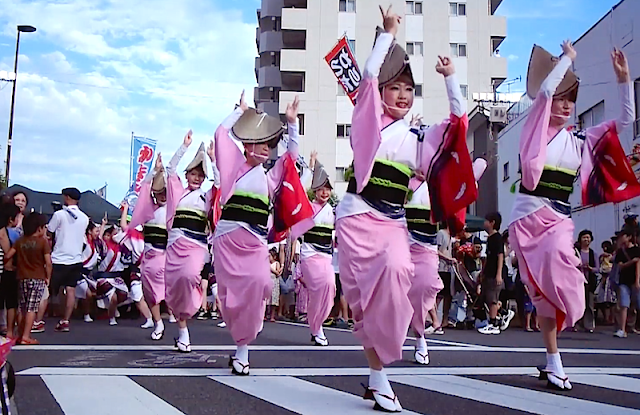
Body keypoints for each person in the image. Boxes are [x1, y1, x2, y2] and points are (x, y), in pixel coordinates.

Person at [336, 6, 475, 412]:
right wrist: (388, 34)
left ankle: (386, 365)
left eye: (408, 90)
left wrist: (451, 80)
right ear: (382, 93)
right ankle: (379, 379)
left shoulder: (418, 137)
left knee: (398, 276)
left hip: (394, 223)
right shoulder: (369, 121)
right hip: (359, 215)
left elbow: (457, 125)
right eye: (394, 88)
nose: (401, 95)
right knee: (363, 301)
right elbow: (366, 79)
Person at [509, 41, 636, 390]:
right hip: (531, 216)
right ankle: (554, 362)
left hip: (560, 220)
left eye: (570, 99)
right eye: (560, 98)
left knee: (562, 292)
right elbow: (546, 92)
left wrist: (624, 81)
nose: (564, 105)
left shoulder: (580, 139)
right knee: (546, 292)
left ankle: (553, 360)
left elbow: (625, 122)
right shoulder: (535, 125)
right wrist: (567, 59)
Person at [214, 91, 310, 375]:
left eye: (270, 143)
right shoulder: (232, 165)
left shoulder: (269, 177)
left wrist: (292, 124)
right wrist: (239, 112)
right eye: (261, 143)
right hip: (229, 238)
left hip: (256, 242)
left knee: (260, 285)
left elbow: (292, 158)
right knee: (230, 296)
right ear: (247, 144)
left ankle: (243, 348)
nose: (267, 148)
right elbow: (221, 134)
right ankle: (239, 349)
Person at [165, 133, 218, 352]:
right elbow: (169, 170)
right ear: (187, 174)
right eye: (193, 174)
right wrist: (183, 147)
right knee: (176, 285)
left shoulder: (205, 198)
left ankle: (196, 301)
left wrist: (214, 161)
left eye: (200, 176)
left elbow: (221, 185)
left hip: (196, 245)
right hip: (175, 243)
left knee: (190, 276)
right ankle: (183, 332)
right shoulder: (177, 193)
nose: (196, 178)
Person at [291, 156, 336, 346]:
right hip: (309, 254)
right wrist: (308, 170)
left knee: (330, 288)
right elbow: (297, 192)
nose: (324, 192)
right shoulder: (309, 206)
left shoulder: (332, 210)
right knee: (320, 286)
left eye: (327, 188)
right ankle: (317, 327)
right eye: (321, 188)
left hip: (326, 256)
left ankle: (316, 324)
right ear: (315, 190)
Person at [129, 155, 171, 340]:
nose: (162, 196)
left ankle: (181, 329)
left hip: (166, 257)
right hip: (148, 258)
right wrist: (154, 171)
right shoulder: (147, 210)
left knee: (173, 293)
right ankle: (158, 323)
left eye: (165, 192)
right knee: (150, 294)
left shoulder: (173, 211)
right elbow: (142, 192)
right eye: (159, 192)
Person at [4, 213, 51, 345]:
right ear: (39, 228)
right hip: (37, 277)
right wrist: (48, 277)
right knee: (32, 308)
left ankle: (19, 334)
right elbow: (48, 262)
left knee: (23, 307)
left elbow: (8, 255)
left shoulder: (20, 241)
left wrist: (12, 265)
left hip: (22, 277)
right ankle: (26, 336)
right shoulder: (43, 242)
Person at [47, 188, 89, 333]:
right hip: (76, 258)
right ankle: (65, 320)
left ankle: (38, 319)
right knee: (70, 289)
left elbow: (49, 232)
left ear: (67, 197)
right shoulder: (85, 217)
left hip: (58, 257)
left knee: (48, 289)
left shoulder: (59, 214)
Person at [478, 212, 505, 335]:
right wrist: (483, 272)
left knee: (492, 298)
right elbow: (488, 257)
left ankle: (494, 323)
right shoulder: (489, 238)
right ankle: (500, 315)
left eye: (486, 221)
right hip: (488, 272)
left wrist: (498, 274)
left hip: (494, 273)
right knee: (487, 296)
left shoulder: (497, 238)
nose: (484, 223)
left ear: (492, 223)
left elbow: (500, 255)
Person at [613, 228, 640, 338]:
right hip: (623, 281)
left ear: (629, 237)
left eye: (623, 236)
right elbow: (620, 266)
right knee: (624, 305)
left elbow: (639, 265)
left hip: (635, 281)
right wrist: (631, 261)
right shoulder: (620, 252)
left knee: (637, 304)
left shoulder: (637, 250)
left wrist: (637, 280)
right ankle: (622, 329)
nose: (621, 238)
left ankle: (631, 326)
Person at [0, 205, 21, 338]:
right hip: (5, 269)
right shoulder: (6, 232)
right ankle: (8, 329)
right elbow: (7, 254)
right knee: (10, 301)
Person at [577, 229, 597, 333]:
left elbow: (597, 268)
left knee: (589, 304)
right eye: (584, 237)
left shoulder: (593, 253)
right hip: (578, 281)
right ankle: (577, 324)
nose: (586, 239)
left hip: (590, 281)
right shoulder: (576, 252)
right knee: (578, 303)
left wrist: (590, 268)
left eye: (588, 237)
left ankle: (589, 325)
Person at [596, 240, 616, 325]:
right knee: (603, 301)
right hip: (604, 279)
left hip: (610, 279)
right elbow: (600, 266)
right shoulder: (602, 257)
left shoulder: (612, 256)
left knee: (611, 301)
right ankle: (606, 318)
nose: (604, 248)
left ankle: (612, 318)